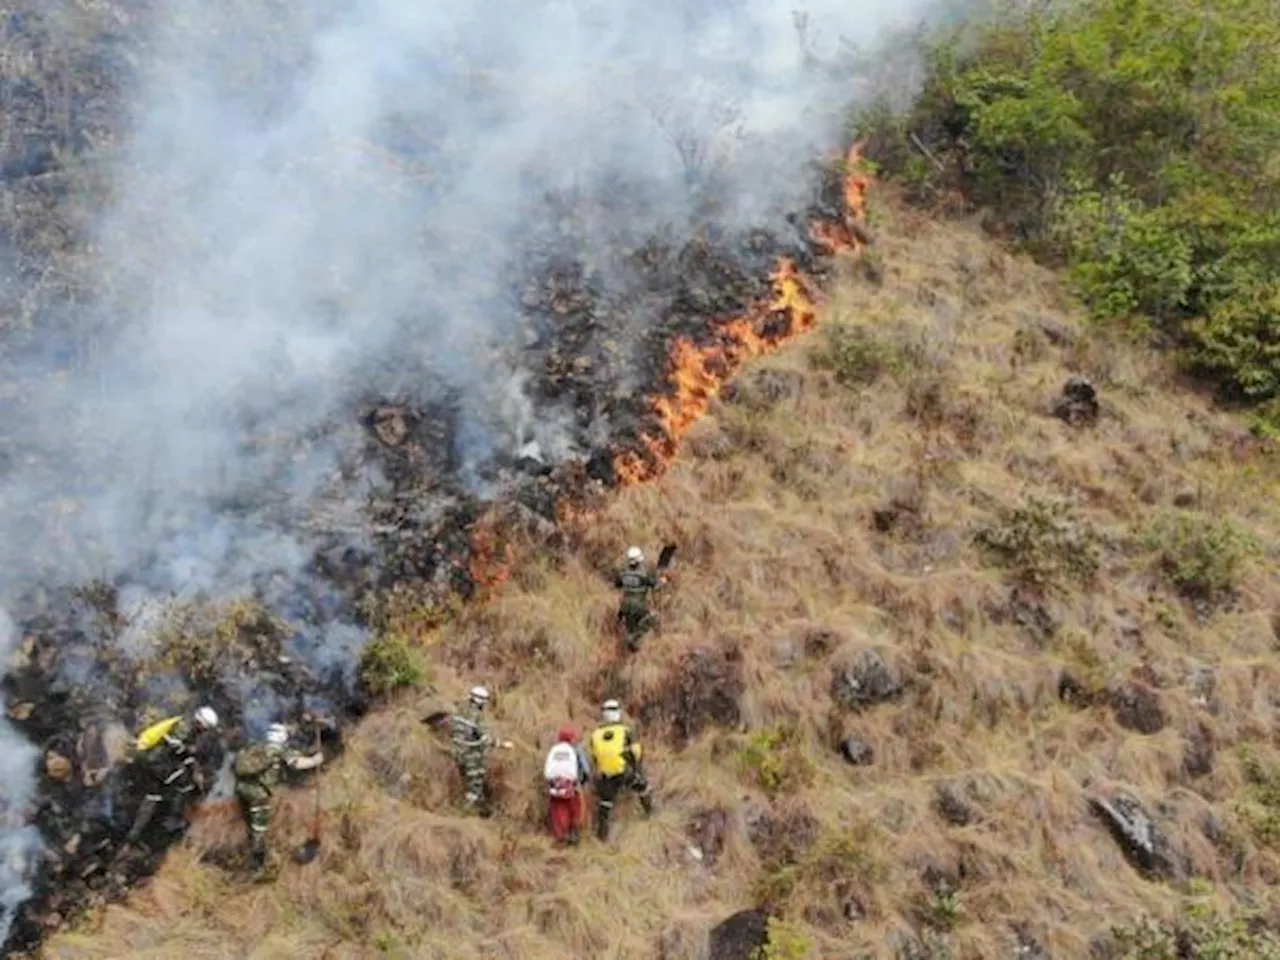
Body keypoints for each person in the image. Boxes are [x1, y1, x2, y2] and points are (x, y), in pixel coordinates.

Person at [233, 722, 324, 872]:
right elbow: (296, 763)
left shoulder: (258, 746)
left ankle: (251, 857)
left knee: (250, 826)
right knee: (260, 830)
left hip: (242, 792)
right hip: (259, 795)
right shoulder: (278, 751)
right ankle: (257, 866)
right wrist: (315, 761)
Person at [124, 705, 220, 847]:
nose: (204, 731)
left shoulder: (187, 725)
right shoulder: (184, 727)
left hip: (157, 757)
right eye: (204, 728)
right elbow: (176, 748)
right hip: (152, 759)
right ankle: (166, 823)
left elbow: (184, 754)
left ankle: (143, 828)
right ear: (200, 722)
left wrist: (192, 763)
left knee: (164, 788)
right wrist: (191, 753)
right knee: (181, 783)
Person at [587, 699, 653, 841]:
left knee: (605, 804)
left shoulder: (595, 734)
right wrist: (637, 768)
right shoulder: (626, 731)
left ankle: (601, 837)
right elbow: (636, 753)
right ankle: (649, 813)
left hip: (605, 775)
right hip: (623, 772)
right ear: (618, 713)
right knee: (643, 787)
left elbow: (594, 757)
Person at [450, 686, 500, 816]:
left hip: (457, 752)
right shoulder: (477, 716)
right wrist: (500, 743)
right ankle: (465, 814)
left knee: (468, 782)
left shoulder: (459, 710)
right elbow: (485, 739)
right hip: (471, 755)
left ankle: (483, 809)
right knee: (475, 784)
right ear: (481, 702)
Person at [544, 724, 591, 845]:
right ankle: (575, 833)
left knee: (558, 810)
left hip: (554, 786)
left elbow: (548, 769)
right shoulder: (576, 750)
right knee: (576, 809)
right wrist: (582, 782)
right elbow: (586, 770)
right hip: (572, 786)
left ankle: (560, 836)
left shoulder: (554, 749)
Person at [615, 546, 662, 651]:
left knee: (631, 632)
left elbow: (617, 584)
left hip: (625, 607)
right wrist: (663, 580)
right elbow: (655, 585)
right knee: (654, 619)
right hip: (639, 606)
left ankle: (633, 654)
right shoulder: (644, 574)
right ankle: (656, 644)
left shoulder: (622, 572)